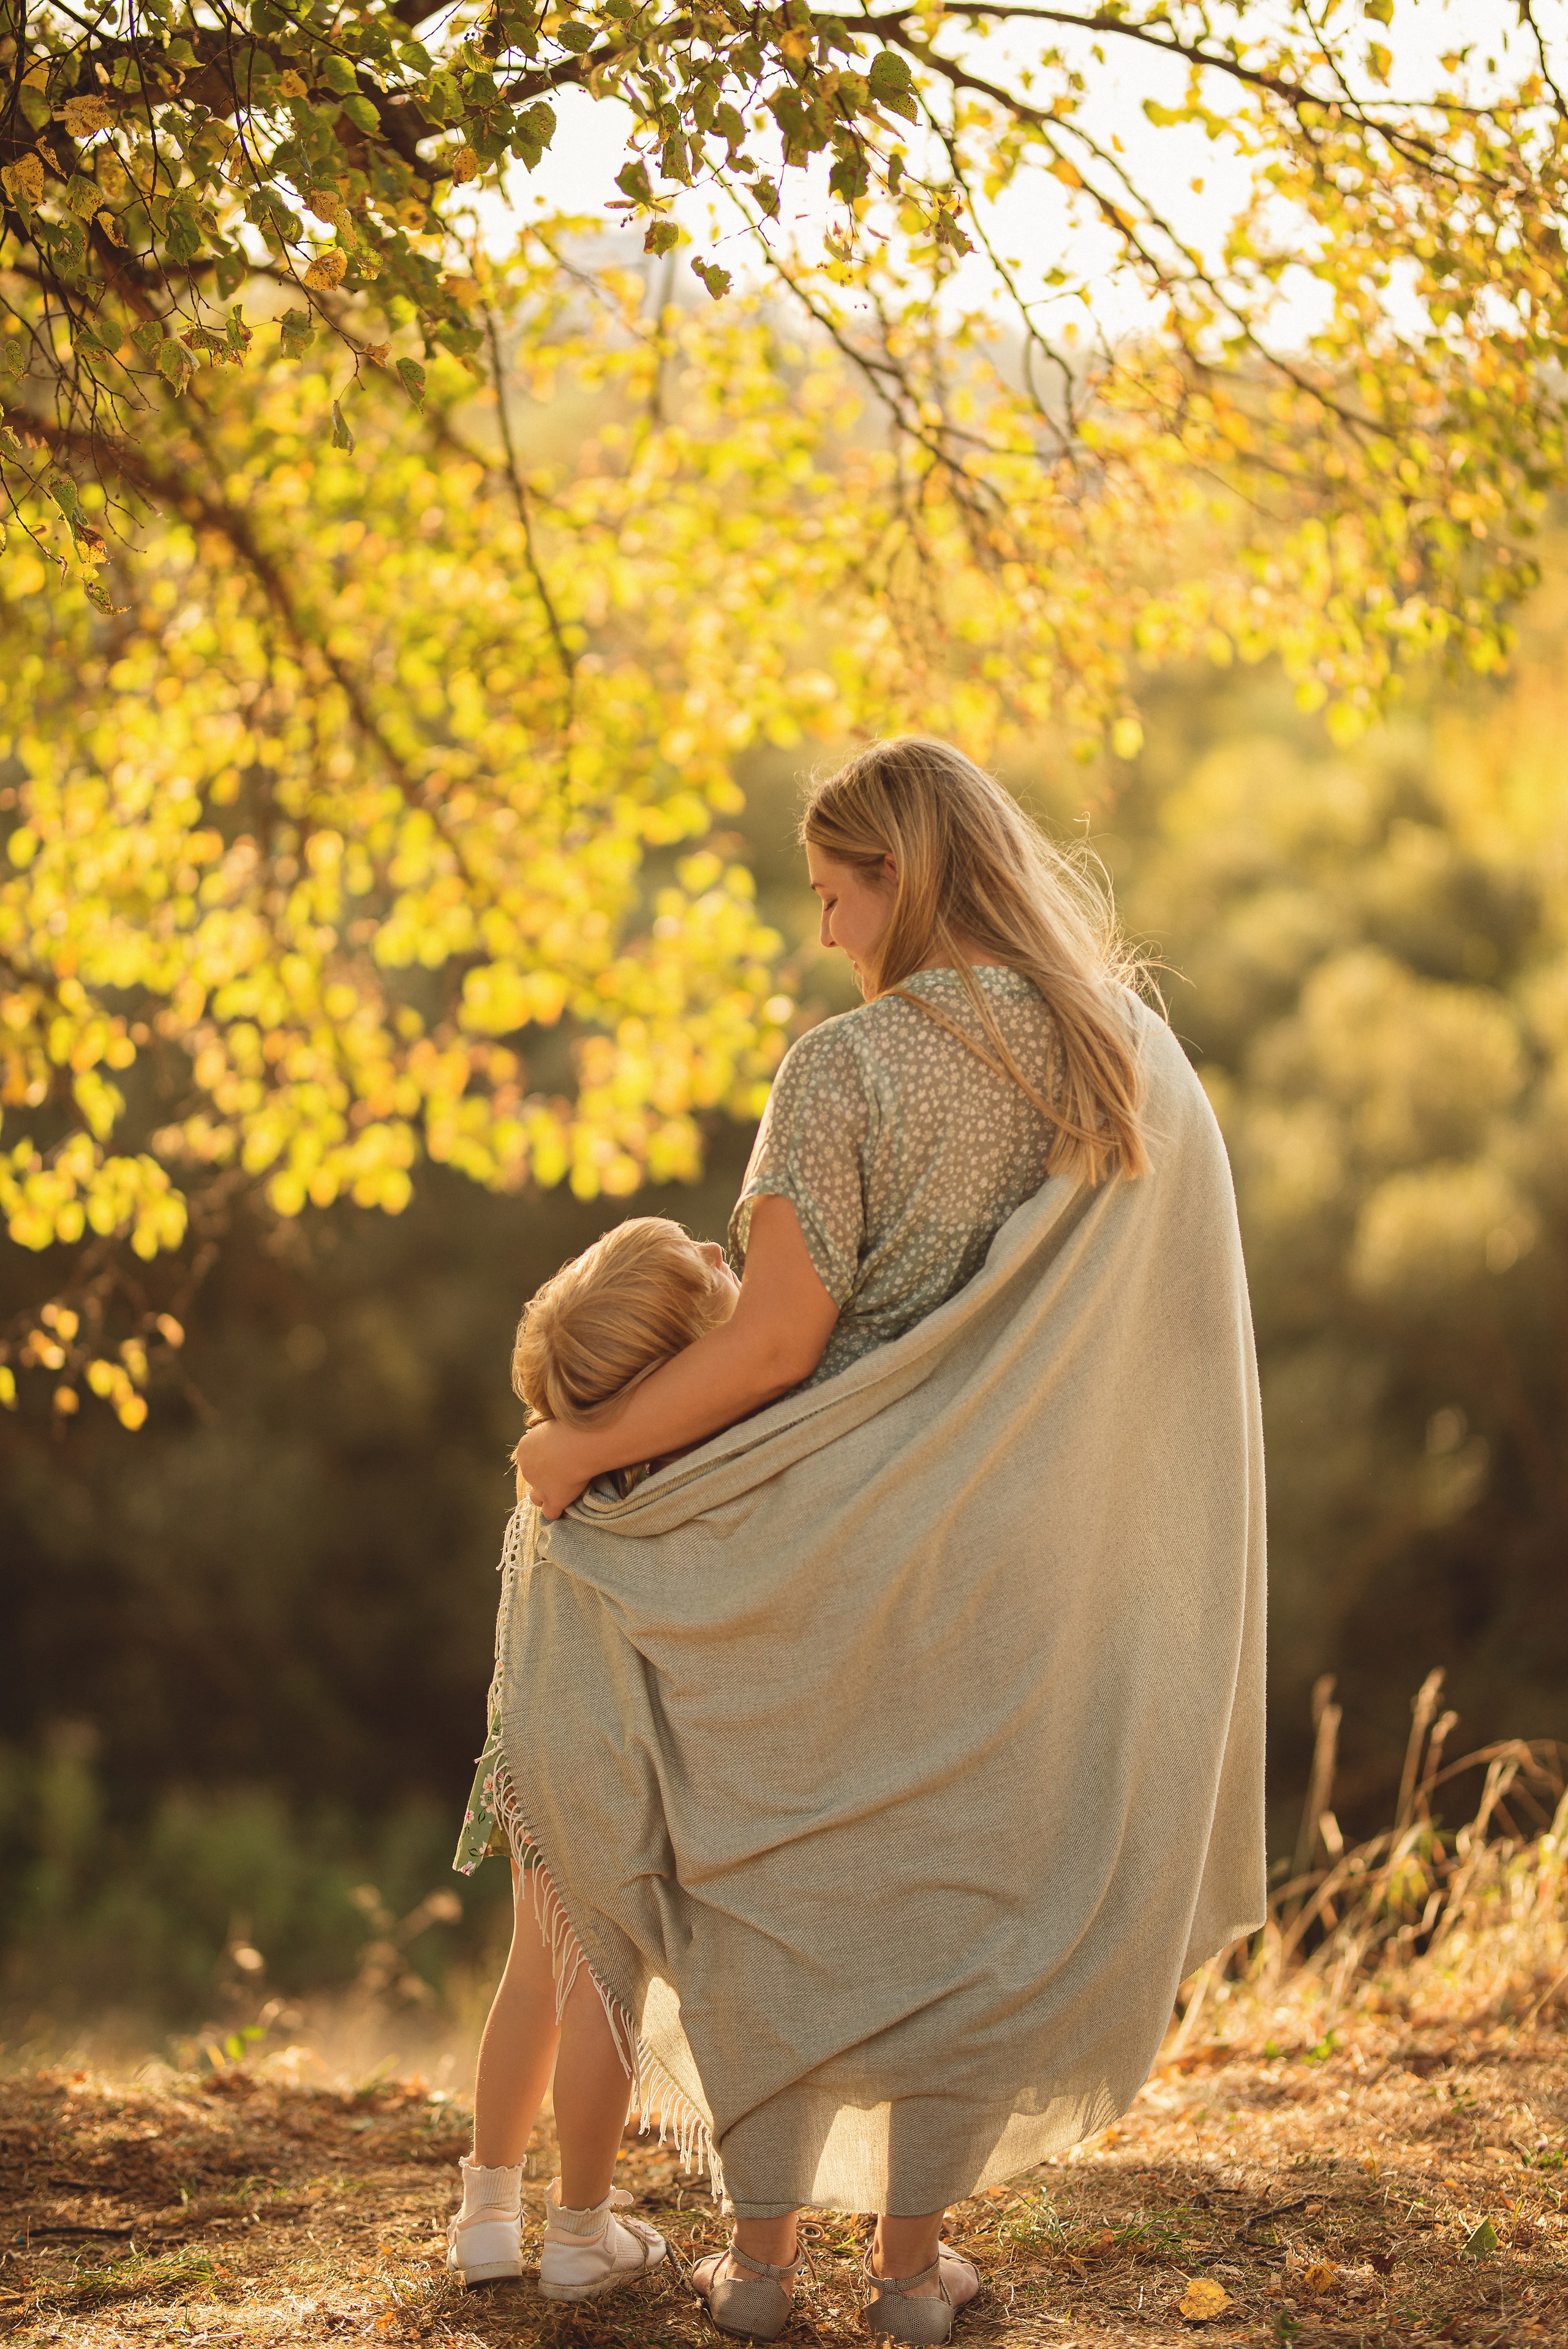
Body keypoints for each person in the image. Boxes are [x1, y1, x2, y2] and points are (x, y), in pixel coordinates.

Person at [514, 736, 1265, 2347]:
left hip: (828, 1545)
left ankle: (766, 2272)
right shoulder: (1119, 1060)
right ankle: (913, 2274)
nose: (831, 929)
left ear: (901, 874)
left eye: (838, 892)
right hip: (1011, 1564)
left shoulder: (843, 1070)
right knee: (954, 1895)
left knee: (784, 1882)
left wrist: (584, 1447)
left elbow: (776, 1341)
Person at [445, 1218, 739, 2297]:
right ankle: (578, 2235)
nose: (720, 1249)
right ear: (679, 1356)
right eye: (696, 1260)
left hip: (530, 1752)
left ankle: (486, 2213)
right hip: (607, 1770)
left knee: (534, 1974)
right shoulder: (668, 1471)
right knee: (603, 1991)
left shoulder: (553, 1473)